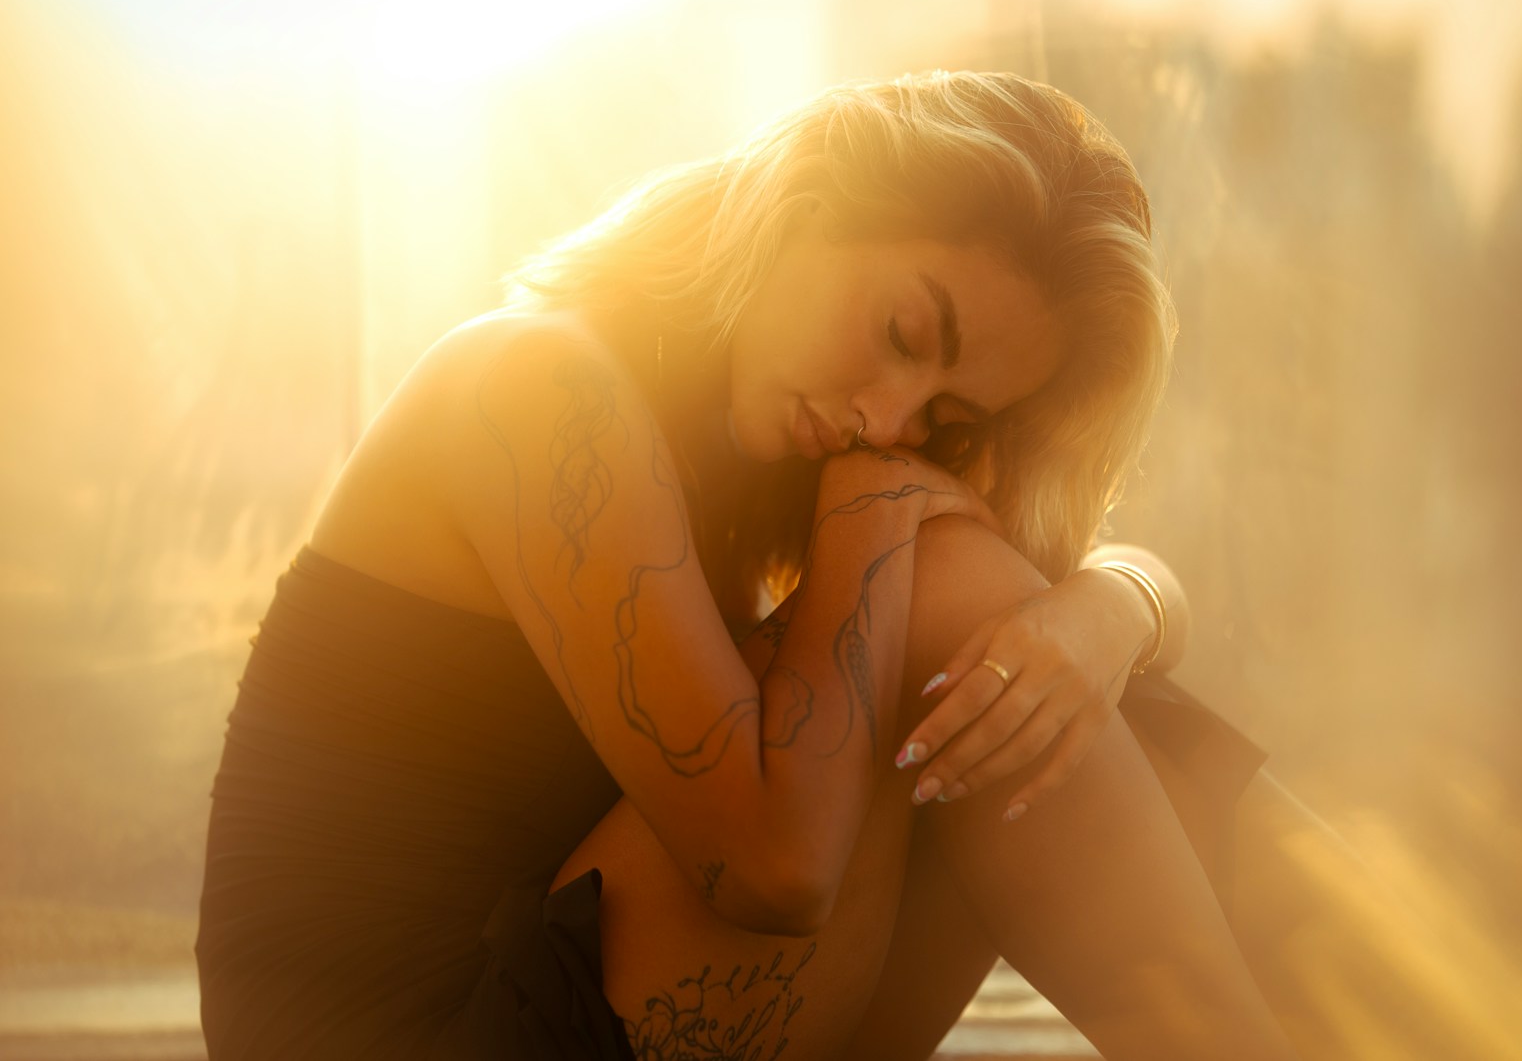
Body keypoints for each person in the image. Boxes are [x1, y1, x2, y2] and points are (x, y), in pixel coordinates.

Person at [195, 70, 1298, 1060]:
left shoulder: (755, 444)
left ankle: (1353, 1006)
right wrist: (877, 514)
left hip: (552, 981)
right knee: (958, 616)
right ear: (813, 202)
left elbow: (1040, 627)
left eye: (946, 416)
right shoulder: (536, 382)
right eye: (906, 330)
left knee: (1016, 682)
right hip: (403, 1030)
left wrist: (1112, 608)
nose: (888, 417)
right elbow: (777, 867)